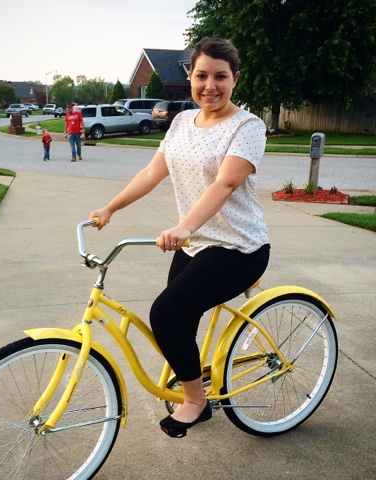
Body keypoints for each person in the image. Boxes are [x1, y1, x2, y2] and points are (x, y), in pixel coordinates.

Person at [90, 37, 270, 438]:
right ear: (190, 76)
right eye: (202, 75)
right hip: (195, 244)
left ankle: (196, 403)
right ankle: (195, 382)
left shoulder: (248, 126)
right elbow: (151, 173)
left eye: (220, 77)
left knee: (165, 315)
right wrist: (110, 208)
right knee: (179, 321)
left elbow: (225, 183)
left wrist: (184, 226)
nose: (210, 86)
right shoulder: (181, 122)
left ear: (235, 79)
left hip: (239, 246)